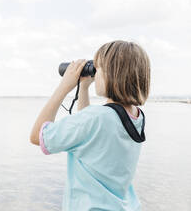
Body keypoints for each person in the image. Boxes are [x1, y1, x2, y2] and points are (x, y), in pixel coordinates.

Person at [29, 40, 151, 211]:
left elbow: (37, 136)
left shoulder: (96, 118)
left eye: (98, 68)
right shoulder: (136, 116)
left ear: (112, 75)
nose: (95, 73)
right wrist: (84, 88)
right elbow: (88, 135)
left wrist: (64, 87)